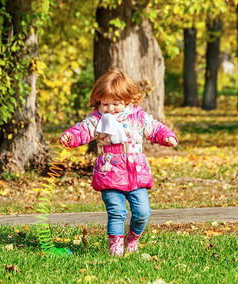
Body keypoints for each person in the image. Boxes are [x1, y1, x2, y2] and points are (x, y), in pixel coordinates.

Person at [59, 68, 178, 257]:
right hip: (110, 172)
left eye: (116, 104)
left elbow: (154, 127)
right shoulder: (98, 119)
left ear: (128, 100)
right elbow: (84, 129)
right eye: (105, 104)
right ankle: (115, 248)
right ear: (99, 100)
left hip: (136, 172)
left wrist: (166, 136)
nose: (110, 109)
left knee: (142, 212)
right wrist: (71, 136)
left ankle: (133, 238)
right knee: (116, 211)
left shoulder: (137, 116)